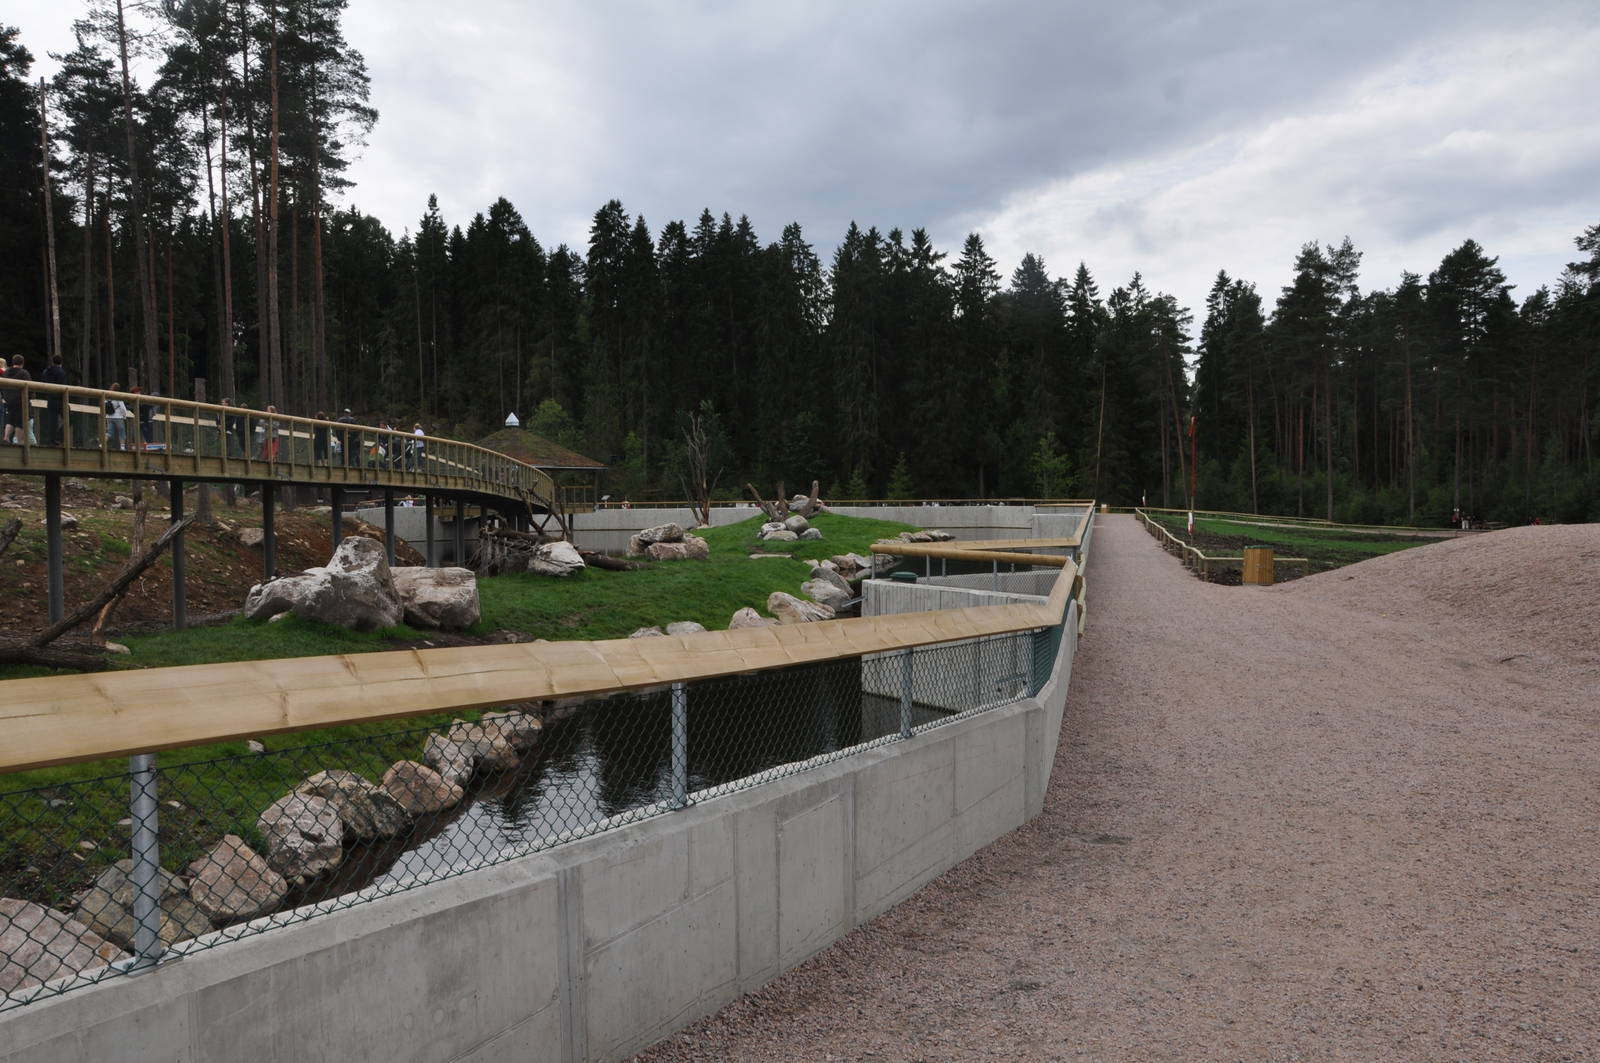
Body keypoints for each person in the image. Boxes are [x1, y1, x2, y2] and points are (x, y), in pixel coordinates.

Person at [3, 356, 31, 444]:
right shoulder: (24, 373)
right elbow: (29, 387)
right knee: (19, 422)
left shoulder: (6, 372)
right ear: (22, 363)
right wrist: (30, 397)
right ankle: (20, 441)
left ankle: (6, 437)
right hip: (20, 400)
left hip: (9, 400)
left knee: (10, 419)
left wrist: (4, 397)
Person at [41, 354, 67, 446]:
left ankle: (51, 441)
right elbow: (63, 386)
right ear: (61, 362)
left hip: (50, 399)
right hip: (59, 400)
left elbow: (43, 383)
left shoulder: (46, 372)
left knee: (52, 421)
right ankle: (59, 436)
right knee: (69, 418)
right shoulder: (61, 372)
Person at [105, 383, 130, 451]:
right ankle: (122, 447)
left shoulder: (108, 396)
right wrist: (124, 416)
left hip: (109, 417)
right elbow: (123, 408)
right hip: (118, 417)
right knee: (122, 432)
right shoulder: (118, 396)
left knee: (109, 433)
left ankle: (102, 444)